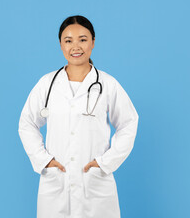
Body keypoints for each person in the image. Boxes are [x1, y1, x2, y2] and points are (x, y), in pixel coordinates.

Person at [18, 15, 139, 218]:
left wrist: (105, 162)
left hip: (94, 184)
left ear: (93, 42)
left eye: (83, 39)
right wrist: (43, 159)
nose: (76, 46)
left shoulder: (108, 85)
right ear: (60, 45)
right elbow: (27, 123)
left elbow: (129, 123)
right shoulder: (46, 84)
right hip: (56, 183)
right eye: (68, 40)